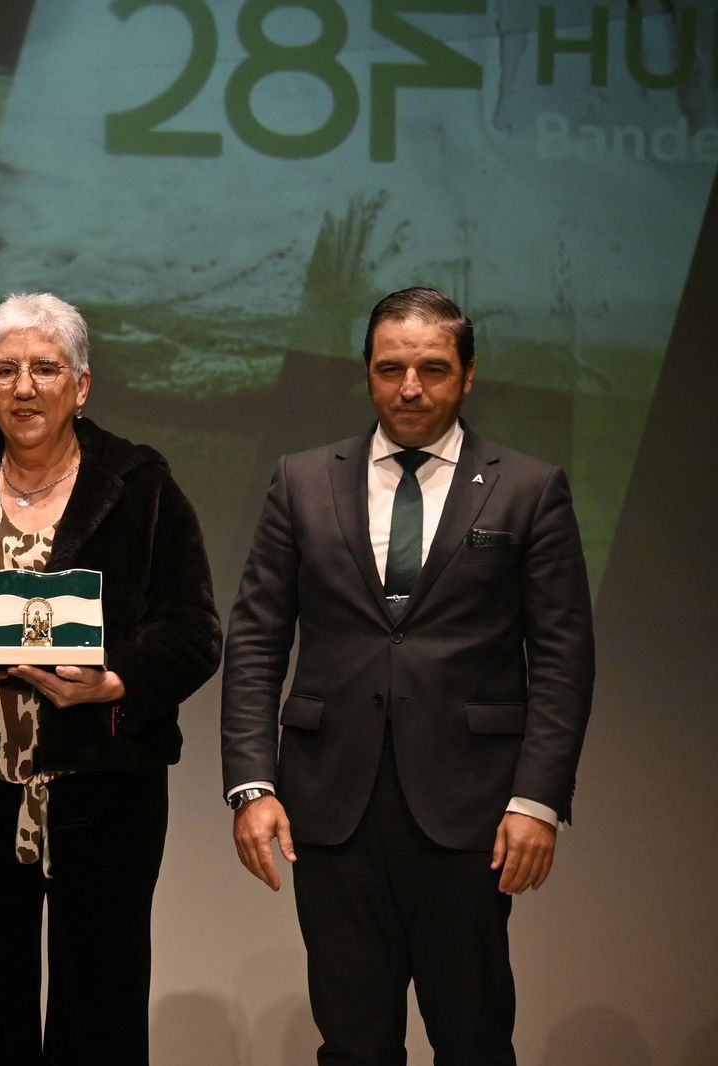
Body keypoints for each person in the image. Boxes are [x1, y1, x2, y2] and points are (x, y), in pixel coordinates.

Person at [220, 287, 595, 1065]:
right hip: (330, 806)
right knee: (353, 1044)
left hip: (473, 810)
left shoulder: (527, 488)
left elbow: (562, 657)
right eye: (391, 368)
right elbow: (256, 638)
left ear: (467, 375)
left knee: (474, 1038)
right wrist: (252, 786)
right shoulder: (302, 480)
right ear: (367, 373)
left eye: (432, 368)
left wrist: (538, 800)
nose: (411, 387)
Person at [0, 292, 221, 1065]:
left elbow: (195, 632)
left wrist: (114, 680)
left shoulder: (139, 488)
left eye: (45, 368)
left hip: (106, 793)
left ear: (82, 385)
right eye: (6, 370)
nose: (23, 388)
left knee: (101, 1012)